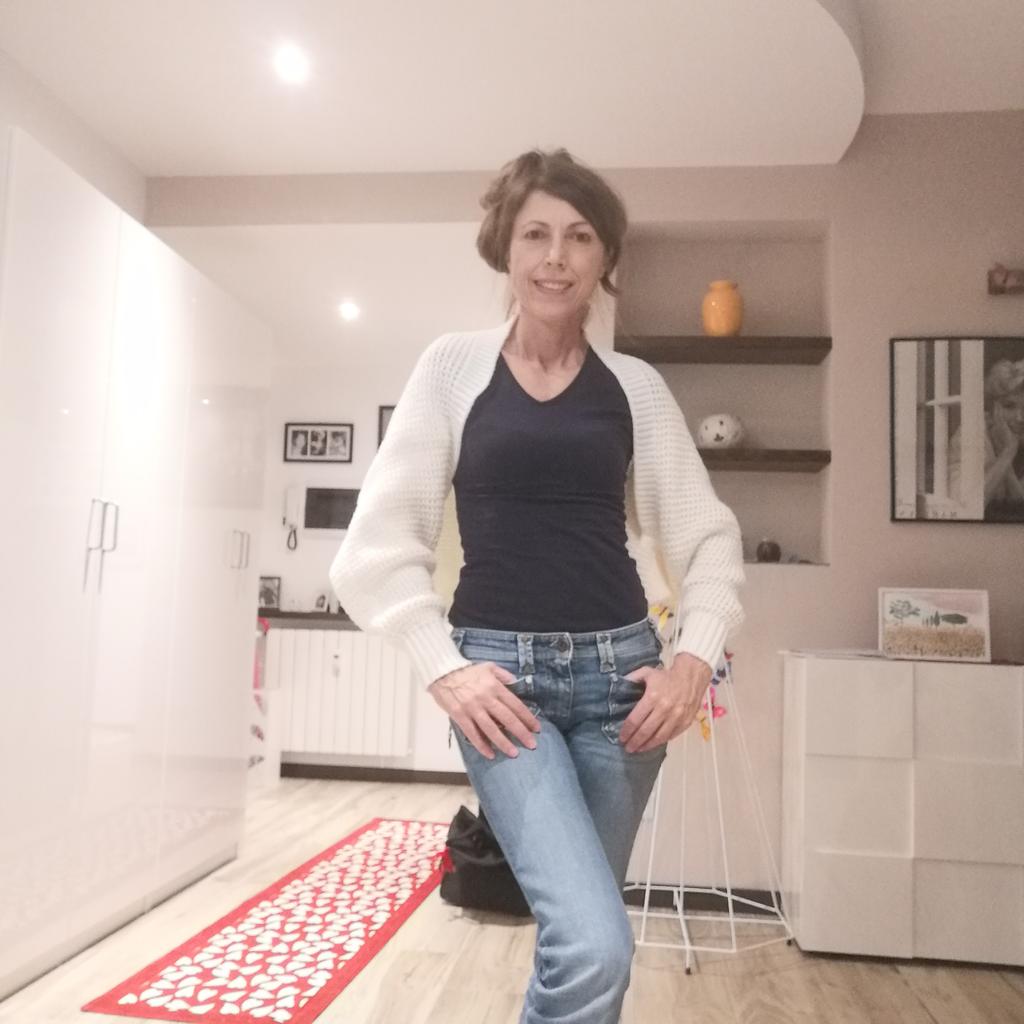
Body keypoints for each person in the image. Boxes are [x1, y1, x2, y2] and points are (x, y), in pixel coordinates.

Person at [329, 148, 744, 1024]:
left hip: (623, 689)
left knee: (582, 943)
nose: (557, 256)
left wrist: (692, 663)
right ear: (505, 249)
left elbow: (708, 537)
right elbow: (378, 544)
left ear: (605, 257)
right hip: (501, 688)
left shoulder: (635, 388)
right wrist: (444, 668)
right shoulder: (452, 368)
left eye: (580, 237)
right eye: (536, 235)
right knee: (595, 946)